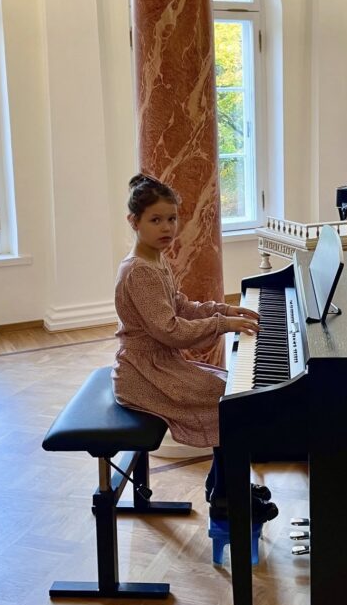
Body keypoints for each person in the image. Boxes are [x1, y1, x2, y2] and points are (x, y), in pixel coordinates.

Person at [112, 172, 278, 524]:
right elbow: (170, 330)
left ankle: (224, 484)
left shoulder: (155, 260)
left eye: (172, 219)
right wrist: (221, 325)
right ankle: (226, 495)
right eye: (155, 220)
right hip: (143, 374)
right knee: (231, 402)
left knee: (231, 389)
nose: (166, 227)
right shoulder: (139, 272)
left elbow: (181, 307)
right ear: (134, 222)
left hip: (159, 364)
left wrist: (224, 310)